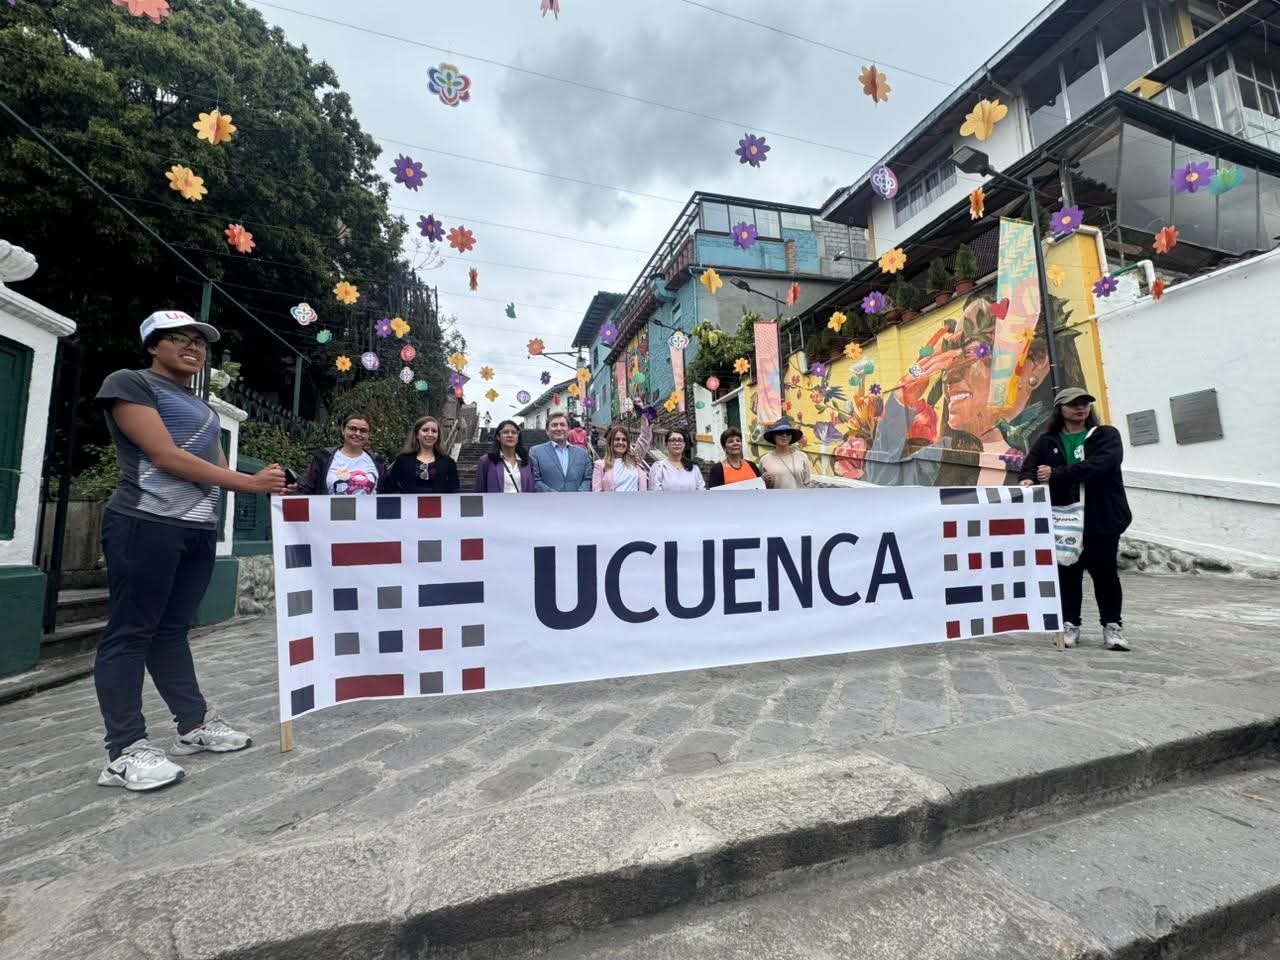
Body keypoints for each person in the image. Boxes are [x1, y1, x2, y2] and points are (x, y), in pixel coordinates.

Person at [93, 310, 288, 791]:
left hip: (196, 529)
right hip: (145, 522)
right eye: (178, 339)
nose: (193, 347)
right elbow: (165, 456)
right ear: (152, 345)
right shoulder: (130, 383)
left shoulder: (201, 405)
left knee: (173, 631)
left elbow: (217, 464)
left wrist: (262, 488)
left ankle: (193, 725)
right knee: (130, 632)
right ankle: (124, 750)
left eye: (199, 342)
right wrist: (251, 481)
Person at [1020, 388, 1133, 651]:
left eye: (1084, 404)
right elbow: (1030, 466)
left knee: (1104, 573)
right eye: (1073, 405)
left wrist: (1057, 474)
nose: (1080, 408)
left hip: (1101, 516)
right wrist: (1027, 479)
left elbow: (1102, 465)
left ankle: (1112, 627)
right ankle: (1070, 624)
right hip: (1062, 518)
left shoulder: (1105, 435)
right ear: (1061, 409)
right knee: (1067, 572)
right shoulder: (1047, 441)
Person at [295, 414, 387, 495]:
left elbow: (388, 494)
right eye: (353, 429)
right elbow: (305, 489)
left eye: (363, 431)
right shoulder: (323, 458)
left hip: (367, 514)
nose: (358, 433)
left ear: (368, 435)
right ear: (343, 431)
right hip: (330, 513)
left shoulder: (378, 462)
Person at [385, 415, 460, 493]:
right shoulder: (402, 460)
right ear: (417, 434)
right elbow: (390, 488)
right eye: (425, 430)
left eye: (434, 431)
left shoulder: (448, 462)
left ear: (438, 436)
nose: (430, 434)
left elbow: (455, 491)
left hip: (439, 505)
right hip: (409, 504)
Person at [530, 411, 593, 491]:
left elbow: (588, 479)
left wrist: (577, 496)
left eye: (562, 425)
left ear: (569, 429)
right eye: (554, 425)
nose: (559, 428)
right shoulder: (535, 452)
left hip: (578, 502)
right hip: (548, 502)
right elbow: (535, 481)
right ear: (547, 430)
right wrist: (558, 498)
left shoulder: (582, 454)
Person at [592, 417, 654, 491]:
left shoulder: (634, 459)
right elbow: (597, 494)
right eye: (617, 439)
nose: (621, 442)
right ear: (610, 442)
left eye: (624, 440)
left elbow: (644, 439)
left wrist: (644, 416)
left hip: (638, 502)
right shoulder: (600, 466)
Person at [473, 419, 536, 493]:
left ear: (518, 438)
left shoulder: (527, 461)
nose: (510, 435)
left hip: (523, 503)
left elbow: (532, 488)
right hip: (496, 504)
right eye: (505, 432)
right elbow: (479, 490)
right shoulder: (487, 460)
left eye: (514, 432)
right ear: (498, 437)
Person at [649, 426, 706, 492]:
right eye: (673, 440)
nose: (676, 443)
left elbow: (701, 492)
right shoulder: (659, 467)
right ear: (666, 444)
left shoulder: (694, 468)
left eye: (680, 440)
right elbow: (655, 495)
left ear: (684, 444)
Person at [759, 419, 810, 489]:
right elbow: (762, 487)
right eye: (780, 432)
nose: (784, 435)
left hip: (799, 498)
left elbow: (807, 484)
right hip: (776, 499)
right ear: (773, 436)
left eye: (788, 432)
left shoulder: (802, 457)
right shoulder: (765, 460)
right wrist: (767, 483)